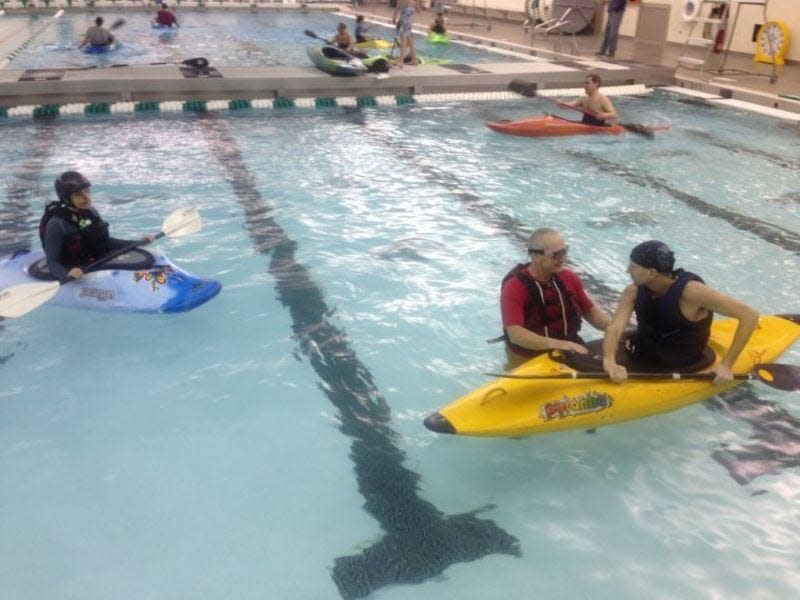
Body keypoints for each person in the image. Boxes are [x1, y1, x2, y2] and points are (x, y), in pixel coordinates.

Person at [602, 240, 760, 385]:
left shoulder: (693, 292)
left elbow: (749, 315)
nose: (627, 270)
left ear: (652, 273)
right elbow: (615, 327)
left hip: (684, 362)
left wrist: (726, 365)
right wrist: (609, 360)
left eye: (634, 267)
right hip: (643, 352)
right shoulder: (633, 291)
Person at [501, 228, 610, 367]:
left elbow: (589, 312)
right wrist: (561, 344)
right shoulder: (514, 287)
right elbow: (516, 335)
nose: (563, 259)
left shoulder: (569, 278)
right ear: (535, 256)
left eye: (565, 252)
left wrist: (615, 329)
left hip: (569, 346)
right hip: (527, 356)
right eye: (556, 255)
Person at [39, 171, 152, 281]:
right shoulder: (57, 224)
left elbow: (105, 242)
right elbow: (52, 262)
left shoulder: (91, 212)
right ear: (66, 198)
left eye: (86, 191)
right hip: (73, 268)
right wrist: (66, 274)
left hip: (92, 260)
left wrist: (138, 242)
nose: (86, 197)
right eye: (78, 195)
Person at [393, 0, 419, 67]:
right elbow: (418, 11)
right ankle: (414, 60)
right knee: (410, 43)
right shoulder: (414, 1)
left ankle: (401, 61)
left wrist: (394, 19)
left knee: (403, 43)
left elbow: (396, 12)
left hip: (404, 23)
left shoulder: (400, 1)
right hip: (410, 23)